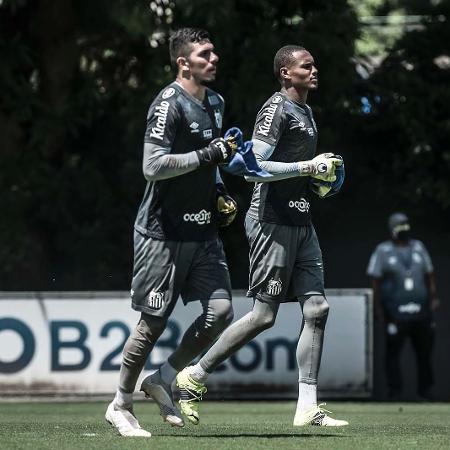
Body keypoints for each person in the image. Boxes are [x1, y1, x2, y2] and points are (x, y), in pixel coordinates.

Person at [175, 45, 348, 427]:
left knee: (318, 309)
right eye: (307, 65)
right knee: (263, 316)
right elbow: (252, 170)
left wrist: (317, 180)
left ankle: (307, 407)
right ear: (286, 74)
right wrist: (307, 165)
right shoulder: (276, 109)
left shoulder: (305, 109)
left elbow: (291, 171)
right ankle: (193, 375)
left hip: (301, 220)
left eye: (314, 64)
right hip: (270, 219)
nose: (314, 69)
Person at [105, 27, 240, 437]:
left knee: (221, 313)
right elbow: (153, 166)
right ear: (183, 63)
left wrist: (219, 192)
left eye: (214, 52)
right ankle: (120, 403)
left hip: (202, 231)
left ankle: (162, 378)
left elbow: (212, 163)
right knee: (153, 323)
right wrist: (205, 155)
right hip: (161, 233)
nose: (214, 59)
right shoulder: (168, 103)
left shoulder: (215, 102)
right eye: (205, 53)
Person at [367, 212, 439, 400]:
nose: (404, 230)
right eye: (400, 227)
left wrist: (433, 299)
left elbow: (429, 274)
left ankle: (425, 390)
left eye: (406, 226)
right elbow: (375, 280)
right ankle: (395, 391)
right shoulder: (383, 250)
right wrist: (378, 309)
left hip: (421, 311)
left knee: (424, 352)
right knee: (393, 353)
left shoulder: (418, 247)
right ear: (392, 230)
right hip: (395, 312)